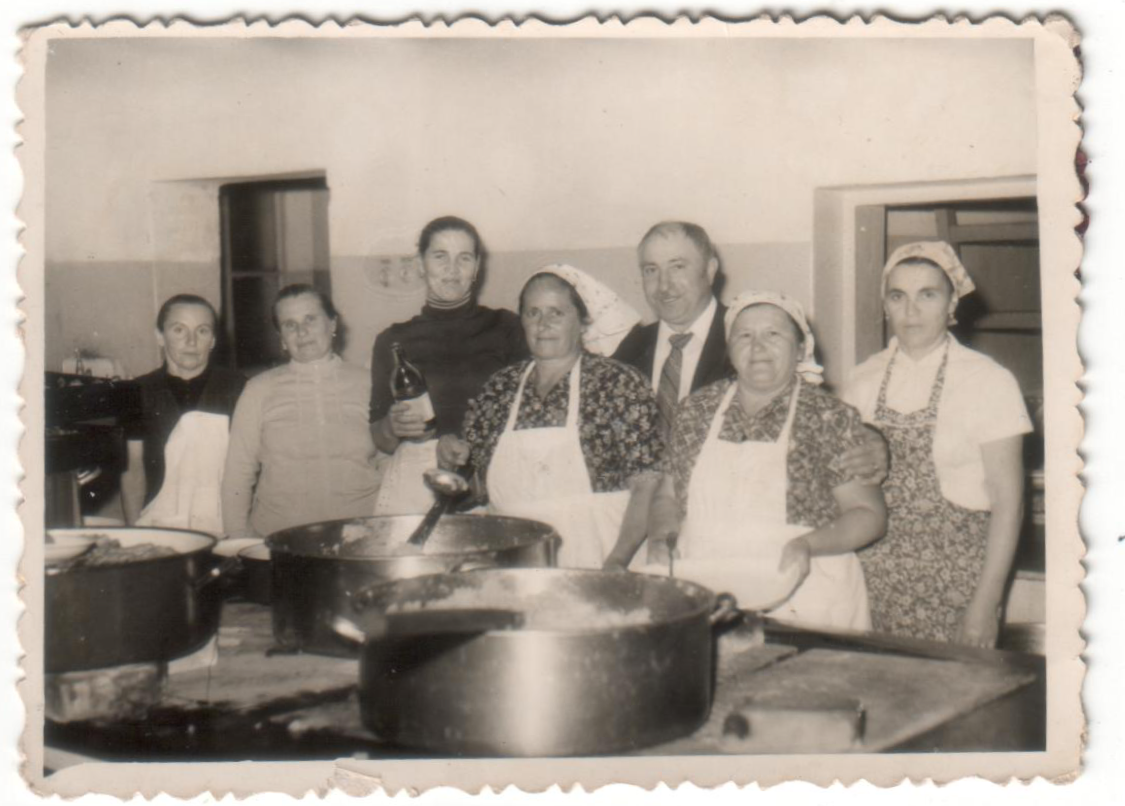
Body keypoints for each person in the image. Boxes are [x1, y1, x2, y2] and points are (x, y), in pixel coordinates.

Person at [631, 291, 887, 631]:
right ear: (730, 349)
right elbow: (667, 495)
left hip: (803, 591)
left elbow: (869, 515)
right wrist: (662, 540)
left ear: (800, 349)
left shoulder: (830, 416)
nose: (758, 347)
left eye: (773, 334)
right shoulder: (696, 410)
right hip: (707, 584)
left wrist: (807, 544)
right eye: (745, 335)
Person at [844, 241, 1031, 647]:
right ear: (885, 305)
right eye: (898, 296)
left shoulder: (988, 381)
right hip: (870, 576)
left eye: (927, 295)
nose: (911, 311)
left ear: (952, 305)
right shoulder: (860, 381)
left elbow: (1009, 504)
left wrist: (986, 603)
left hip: (959, 583)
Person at [613, 221, 887, 497]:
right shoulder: (630, 347)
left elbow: (812, 410)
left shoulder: (753, 339)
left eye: (678, 267)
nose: (664, 286)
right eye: (651, 270)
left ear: (709, 270)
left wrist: (868, 438)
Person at [441, 265, 661, 570]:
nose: (543, 324)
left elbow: (647, 486)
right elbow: (476, 490)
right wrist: (453, 463)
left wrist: (618, 560)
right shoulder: (499, 388)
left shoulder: (619, 384)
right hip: (514, 563)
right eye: (533, 313)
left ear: (583, 322)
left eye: (556, 313)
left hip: (602, 560)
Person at [369, 216, 528, 515]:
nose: (452, 270)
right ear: (420, 264)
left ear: (477, 267)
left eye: (464, 258)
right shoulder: (392, 340)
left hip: (491, 473)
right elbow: (381, 439)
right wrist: (393, 425)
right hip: (417, 484)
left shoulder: (506, 327)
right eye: (440, 256)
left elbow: (526, 411)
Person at [222, 284, 379, 539]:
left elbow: (389, 463)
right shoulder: (258, 390)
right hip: (281, 540)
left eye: (310, 319)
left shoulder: (369, 382)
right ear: (282, 339)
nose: (302, 332)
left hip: (362, 537)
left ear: (333, 324)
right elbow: (237, 476)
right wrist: (239, 544)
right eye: (289, 325)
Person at [121, 294, 245, 535]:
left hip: (225, 525)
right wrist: (135, 535)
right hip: (159, 525)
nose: (191, 341)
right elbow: (133, 470)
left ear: (213, 340)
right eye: (179, 330)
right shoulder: (136, 392)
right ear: (160, 336)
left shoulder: (239, 389)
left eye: (202, 331)